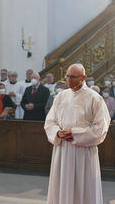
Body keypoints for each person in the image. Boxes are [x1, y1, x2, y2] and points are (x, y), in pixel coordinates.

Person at [44, 63, 110, 204]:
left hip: (83, 152)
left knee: (84, 189)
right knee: (62, 187)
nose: (69, 80)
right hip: (62, 151)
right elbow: (50, 122)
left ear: (84, 77)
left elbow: (101, 127)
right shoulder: (61, 97)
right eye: (67, 76)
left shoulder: (94, 98)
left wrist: (75, 134)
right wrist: (57, 133)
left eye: (73, 77)